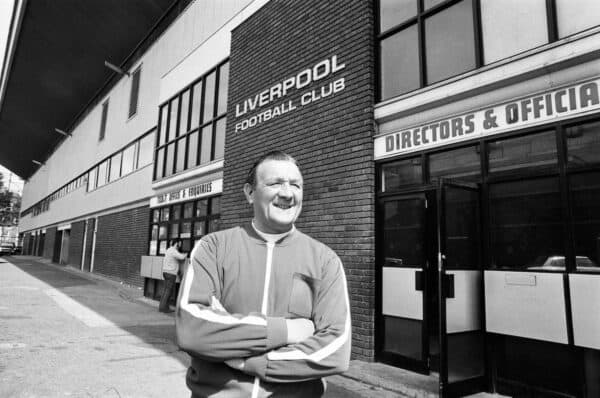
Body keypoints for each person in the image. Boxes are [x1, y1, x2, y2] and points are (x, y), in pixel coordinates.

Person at [176, 150, 351, 397]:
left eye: (295, 185)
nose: (287, 193)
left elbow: (335, 349)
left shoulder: (325, 260)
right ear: (250, 193)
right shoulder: (213, 248)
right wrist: (288, 331)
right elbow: (193, 330)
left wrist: (253, 363)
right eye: (275, 183)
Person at [159, 238, 187, 313]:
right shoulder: (173, 251)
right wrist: (187, 253)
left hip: (165, 272)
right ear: (176, 243)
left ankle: (163, 307)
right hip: (170, 273)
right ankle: (164, 308)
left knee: (165, 290)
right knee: (168, 291)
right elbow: (182, 257)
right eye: (180, 243)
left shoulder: (168, 250)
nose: (180, 245)